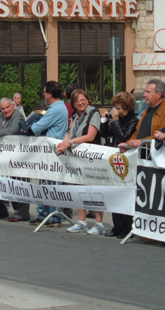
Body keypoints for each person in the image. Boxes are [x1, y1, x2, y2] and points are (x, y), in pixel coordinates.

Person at [57, 89, 104, 235]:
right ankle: (81, 221)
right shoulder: (75, 115)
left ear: (88, 100)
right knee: (79, 188)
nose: (80, 103)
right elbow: (70, 131)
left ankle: (99, 223)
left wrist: (70, 142)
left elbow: (90, 136)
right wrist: (64, 141)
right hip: (77, 157)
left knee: (94, 190)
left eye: (83, 100)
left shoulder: (93, 113)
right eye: (77, 101)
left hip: (92, 157)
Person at [28, 81, 68, 227]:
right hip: (47, 151)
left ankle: (54, 215)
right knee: (44, 182)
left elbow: (37, 128)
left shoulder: (55, 109)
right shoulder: (57, 107)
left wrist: (30, 126)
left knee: (52, 184)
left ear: (50, 94)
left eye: (44, 92)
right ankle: (44, 213)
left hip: (53, 151)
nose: (43, 94)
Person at [100, 92, 139, 238]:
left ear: (127, 107)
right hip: (115, 158)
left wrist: (115, 121)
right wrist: (104, 120)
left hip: (127, 160)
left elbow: (124, 137)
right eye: (116, 107)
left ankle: (127, 227)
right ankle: (117, 226)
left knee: (125, 194)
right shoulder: (118, 119)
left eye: (120, 108)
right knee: (114, 192)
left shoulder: (133, 120)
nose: (118, 111)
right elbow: (104, 134)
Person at [119, 79, 165, 151]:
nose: (144, 95)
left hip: (155, 157)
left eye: (148, 92)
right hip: (142, 156)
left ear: (158, 94)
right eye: (145, 92)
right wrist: (127, 145)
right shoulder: (146, 112)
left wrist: (141, 142)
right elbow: (137, 133)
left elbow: (163, 135)